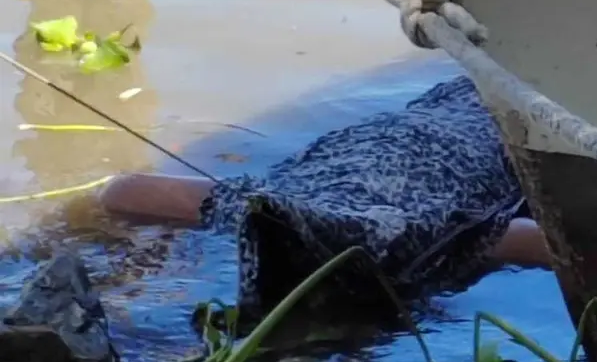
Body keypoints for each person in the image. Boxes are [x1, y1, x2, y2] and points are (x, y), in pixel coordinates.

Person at [96, 75, 552, 321]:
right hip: (406, 165)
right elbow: (541, 243)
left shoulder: (274, 201)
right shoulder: (422, 227)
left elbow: (121, 192)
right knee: (426, 232)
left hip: (362, 162)